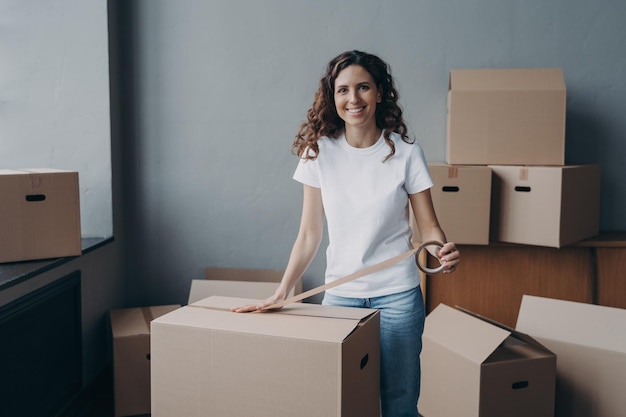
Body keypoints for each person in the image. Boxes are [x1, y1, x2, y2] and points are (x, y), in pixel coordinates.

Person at [233, 50, 460, 417]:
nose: (353, 99)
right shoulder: (318, 153)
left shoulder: (406, 153)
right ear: (332, 97)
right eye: (343, 90)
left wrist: (441, 252)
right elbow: (309, 233)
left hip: (398, 299)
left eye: (363, 87)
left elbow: (429, 227)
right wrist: (283, 290)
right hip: (340, 298)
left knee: (400, 404)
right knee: (340, 402)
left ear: (380, 93)